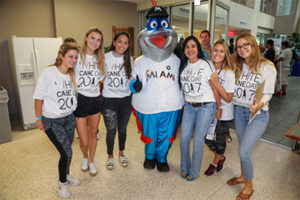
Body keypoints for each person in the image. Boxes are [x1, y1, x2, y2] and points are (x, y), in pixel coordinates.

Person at [130, 4, 184, 172]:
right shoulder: (140, 61)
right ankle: (149, 157)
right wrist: (134, 85)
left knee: (166, 135)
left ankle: (162, 158)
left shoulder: (176, 60)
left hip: (172, 105)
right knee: (151, 134)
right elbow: (132, 79)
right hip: (148, 105)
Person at [228, 33, 276, 200]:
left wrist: (258, 106)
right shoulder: (237, 65)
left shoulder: (267, 66)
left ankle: (249, 185)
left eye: (245, 45)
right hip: (240, 112)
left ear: (253, 45)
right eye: (239, 47)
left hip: (258, 114)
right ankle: (242, 176)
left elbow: (268, 93)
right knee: (243, 147)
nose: (242, 49)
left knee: (244, 151)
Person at [34, 43, 80, 199]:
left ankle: (66, 174)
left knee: (67, 150)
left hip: (69, 118)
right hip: (52, 120)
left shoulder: (71, 75)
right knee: (66, 152)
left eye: (75, 57)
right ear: (61, 56)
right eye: (70, 56)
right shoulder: (48, 73)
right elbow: (38, 98)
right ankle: (62, 183)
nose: (73, 60)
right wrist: (39, 119)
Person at [179, 36, 222, 181]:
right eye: (187, 47)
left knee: (198, 140)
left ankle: (194, 171)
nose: (190, 49)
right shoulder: (183, 65)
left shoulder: (206, 63)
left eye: (193, 46)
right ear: (184, 50)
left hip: (206, 106)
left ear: (198, 48)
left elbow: (215, 87)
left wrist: (219, 107)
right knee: (184, 138)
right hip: (189, 106)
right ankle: (185, 168)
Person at [74, 27, 105, 176]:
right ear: (86, 38)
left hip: (95, 100)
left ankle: (91, 160)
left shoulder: (100, 59)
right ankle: (84, 156)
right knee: (84, 138)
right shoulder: (77, 57)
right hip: (80, 99)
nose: (95, 42)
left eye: (98, 40)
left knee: (93, 133)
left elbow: (102, 80)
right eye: (93, 38)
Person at [204, 40, 235, 177]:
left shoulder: (229, 73)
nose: (217, 53)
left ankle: (215, 162)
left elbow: (228, 98)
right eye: (215, 50)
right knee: (206, 137)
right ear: (211, 52)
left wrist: (216, 83)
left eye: (221, 51)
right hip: (208, 110)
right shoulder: (206, 68)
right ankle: (221, 155)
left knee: (220, 139)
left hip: (225, 112)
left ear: (225, 54)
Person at [102, 31, 133, 170]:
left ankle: (121, 153)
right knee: (110, 130)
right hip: (110, 100)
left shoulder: (129, 59)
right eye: (120, 41)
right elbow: (100, 78)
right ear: (114, 42)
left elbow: (132, 78)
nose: (122, 45)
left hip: (126, 100)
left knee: (122, 129)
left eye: (126, 43)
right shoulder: (105, 57)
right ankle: (110, 156)